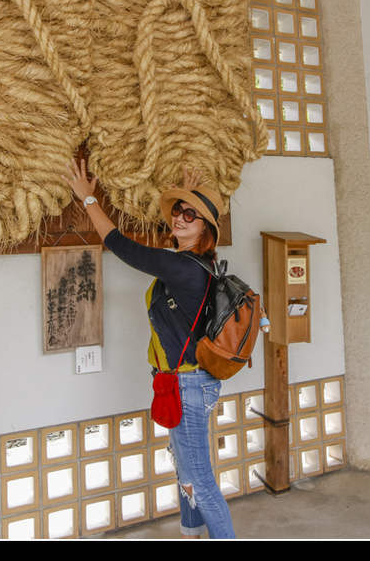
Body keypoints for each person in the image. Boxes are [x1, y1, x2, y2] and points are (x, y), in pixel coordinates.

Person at [63, 158, 236, 539]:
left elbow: (121, 246)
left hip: (189, 386)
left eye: (191, 215)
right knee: (185, 471)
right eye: (178, 210)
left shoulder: (183, 268)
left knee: (198, 481)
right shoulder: (196, 263)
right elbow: (167, 246)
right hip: (183, 382)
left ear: (206, 229)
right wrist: (190, 195)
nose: (180, 218)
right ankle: (191, 533)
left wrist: (89, 198)